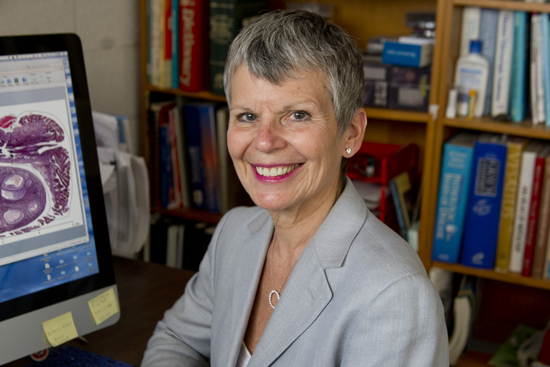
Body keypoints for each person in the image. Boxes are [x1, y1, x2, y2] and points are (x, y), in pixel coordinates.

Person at [142, 9, 449, 367]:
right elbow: (177, 341)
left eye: (297, 115)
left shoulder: (395, 294)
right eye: (248, 116)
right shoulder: (234, 233)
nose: (265, 141)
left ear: (351, 132)